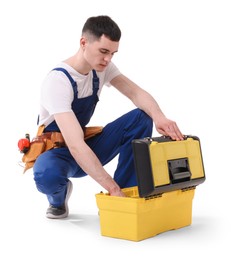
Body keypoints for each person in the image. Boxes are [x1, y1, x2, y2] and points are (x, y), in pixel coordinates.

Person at [33, 15, 184, 219]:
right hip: (60, 154)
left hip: (86, 145)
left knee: (142, 117)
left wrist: (160, 117)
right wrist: (110, 188)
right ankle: (58, 200)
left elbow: (136, 93)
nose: (108, 59)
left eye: (113, 53)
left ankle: (128, 192)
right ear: (83, 43)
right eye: (103, 51)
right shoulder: (58, 81)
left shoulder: (102, 69)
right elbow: (75, 145)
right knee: (46, 174)